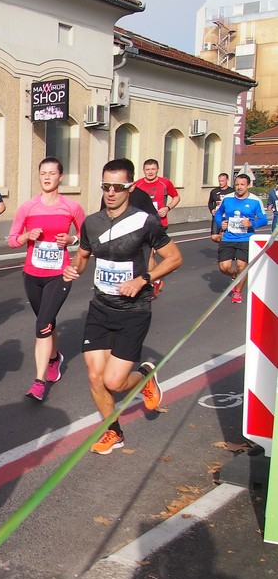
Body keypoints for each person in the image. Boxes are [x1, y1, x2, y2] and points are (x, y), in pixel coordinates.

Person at [62, 158, 183, 455]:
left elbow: (174, 259)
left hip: (134, 310)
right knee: (94, 376)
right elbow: (83, 256)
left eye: (118, 186)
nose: (111, 192)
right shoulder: (91, 222)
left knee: (114, 382)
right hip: (100, 307)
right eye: (106, 186)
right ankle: (113, 432)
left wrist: (143, 279)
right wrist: (73, 268)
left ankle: (144, 376)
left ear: (130, 187)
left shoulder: (145, 222)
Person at [7, 157, 84, 402]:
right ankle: (54, 358)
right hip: (32, 275)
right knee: (47, 321)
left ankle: (38, 383)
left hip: (58, 275)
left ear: (61, 177)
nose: (47, 177)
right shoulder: (27, 207)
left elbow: (88, 238)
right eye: (43, 173)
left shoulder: (72, 208)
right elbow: (11, 240)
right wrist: (27, 235)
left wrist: (70, 240)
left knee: (42, 325)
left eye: (52, 173)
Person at [212, 173, 268, 304]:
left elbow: (264, 219)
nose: (239, 187)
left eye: (242, 185)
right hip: (228, 237)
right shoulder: (227, 198)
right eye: (237, 184)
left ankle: (237, 292)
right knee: (224, 267)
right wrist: (221, 223)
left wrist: (252, 224)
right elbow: (218, 214)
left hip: (246, 238)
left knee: (241, 266)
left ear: (248, 185)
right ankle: (234, 276)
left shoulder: (255, 200)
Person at [134, 159, 179, 295]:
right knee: (148, 254)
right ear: (143, 171)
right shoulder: (138, 184)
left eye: (153, 169)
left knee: (151, 253)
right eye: (147, 169)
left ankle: (153, 281)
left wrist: (167, 207)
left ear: (157, 170)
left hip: (159, 223)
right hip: (142, 224)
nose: (150, 172)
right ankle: (155, 280)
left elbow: (176, 197)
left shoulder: (164, 183)